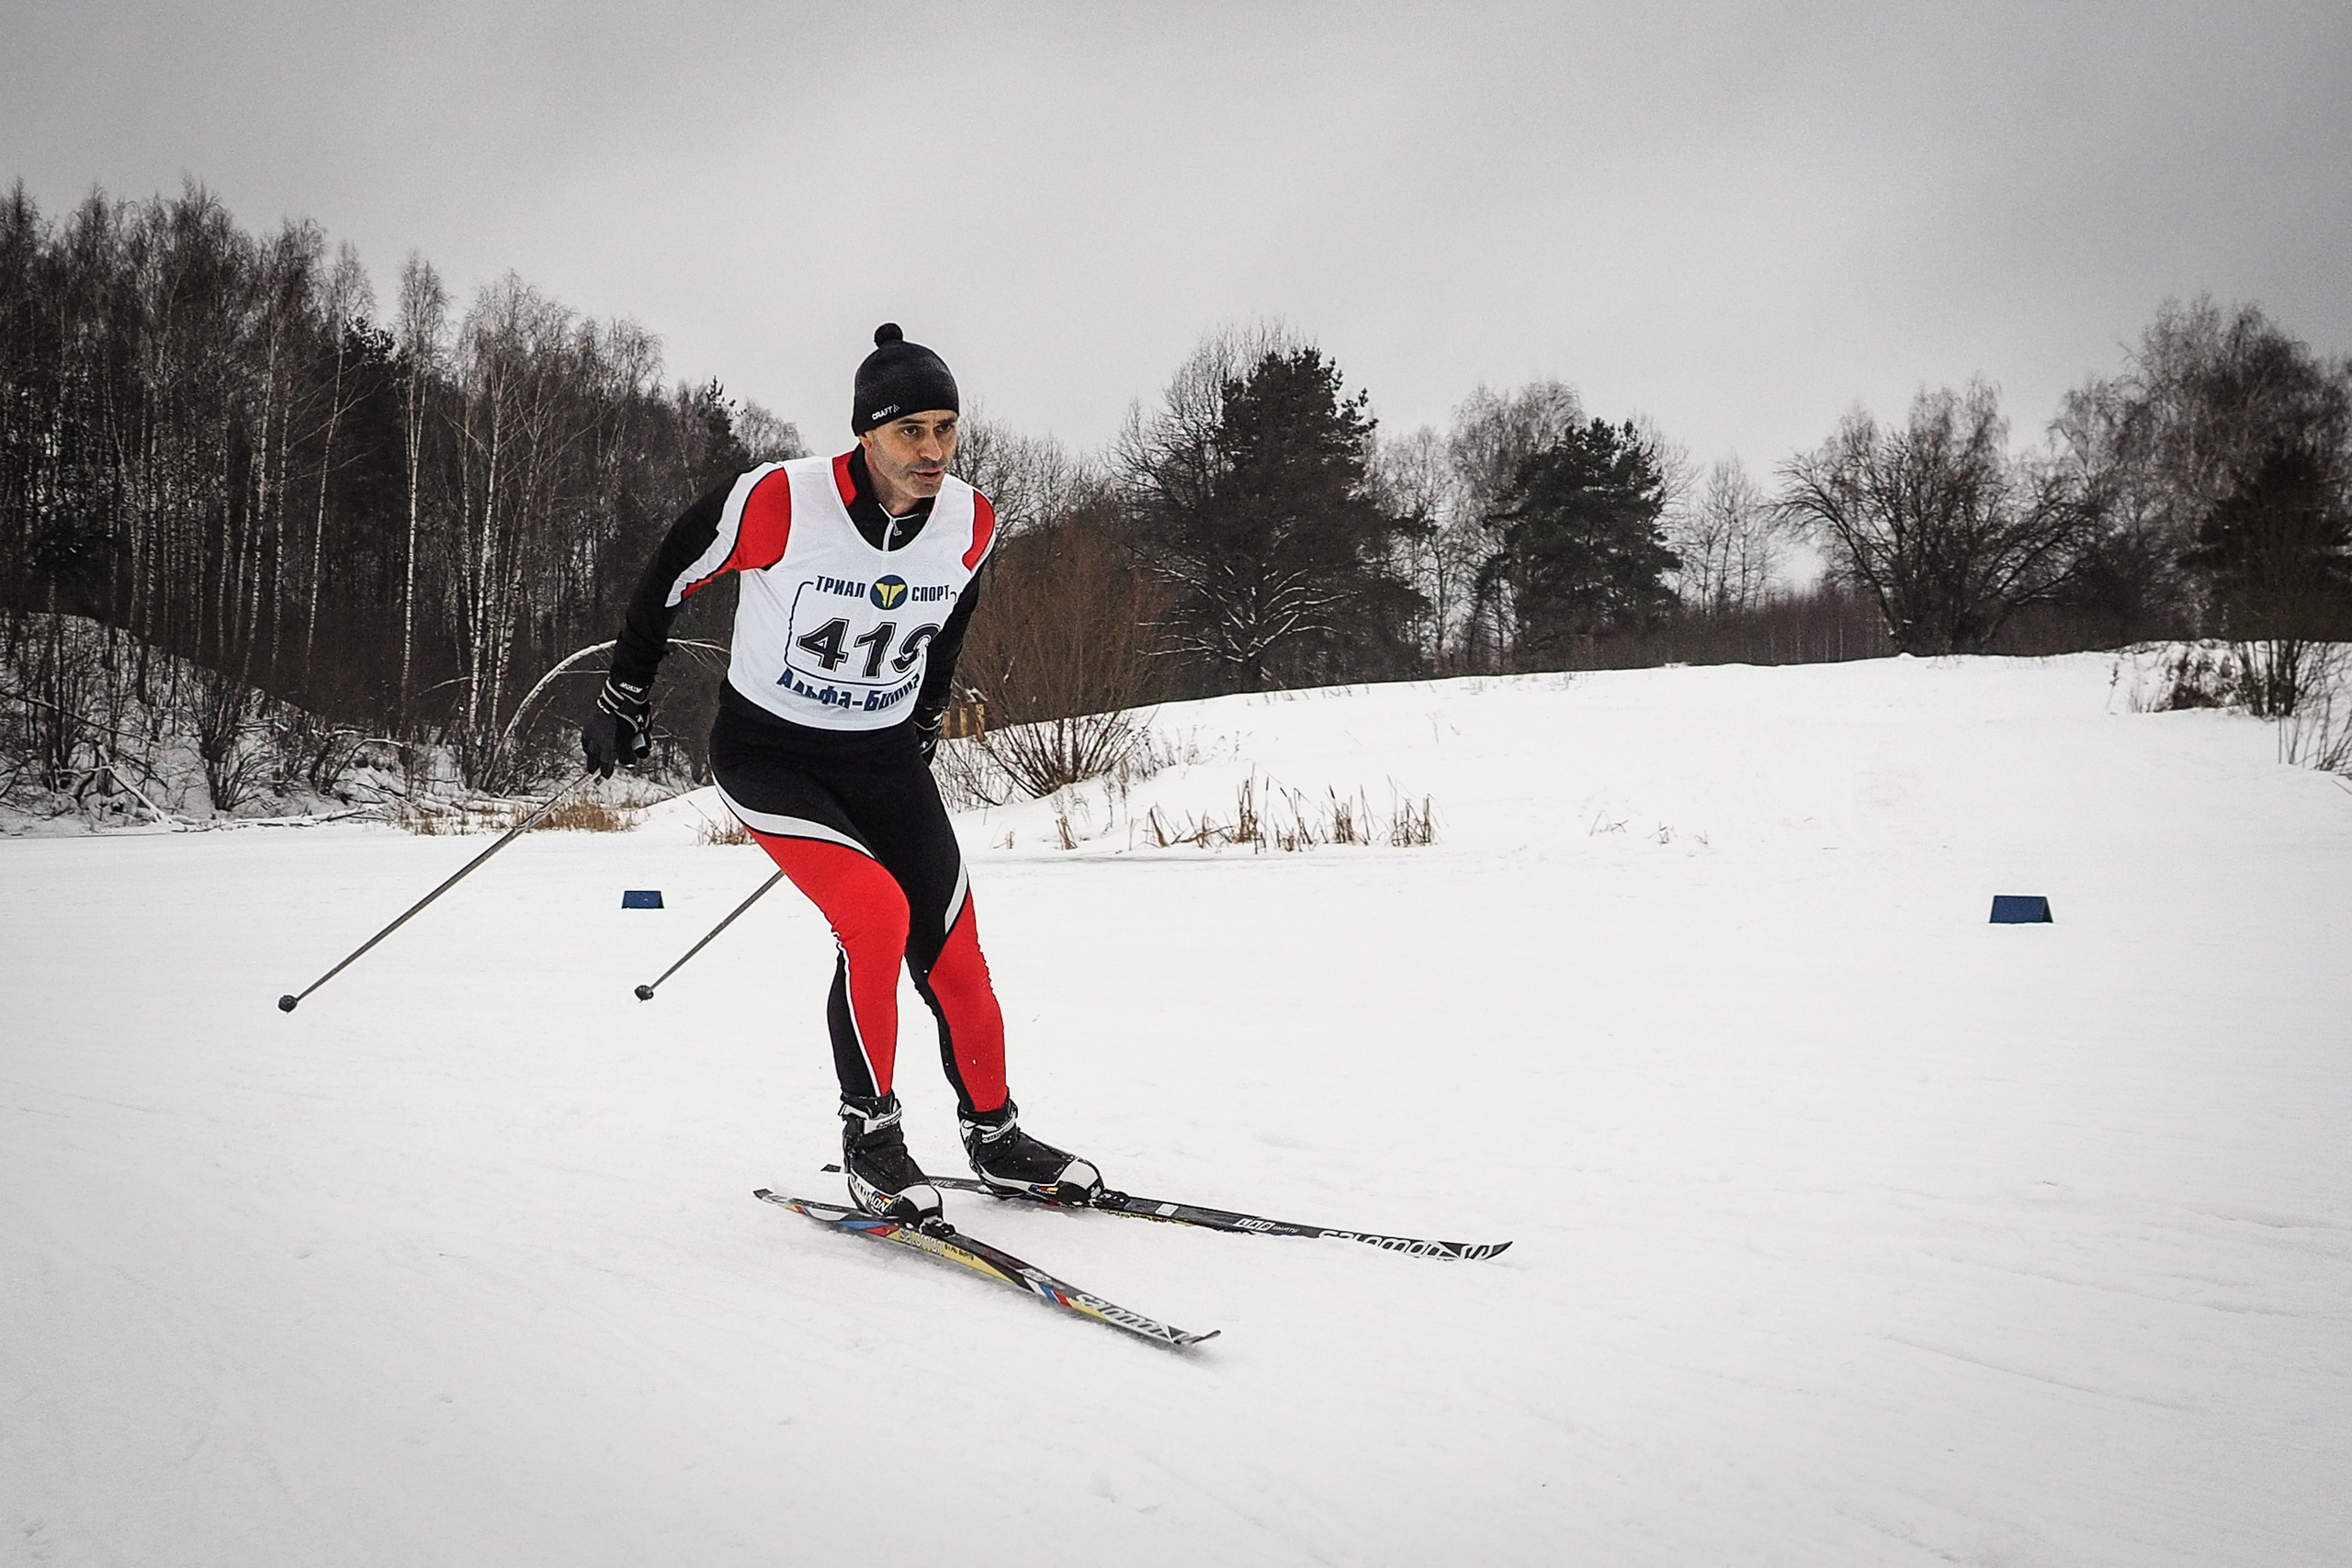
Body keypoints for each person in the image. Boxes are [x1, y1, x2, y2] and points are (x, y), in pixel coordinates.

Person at [582, 323, 1100, 1225]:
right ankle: (872, 1138)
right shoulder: (781, 502)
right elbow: (669, 573)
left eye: (946, 428)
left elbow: (952, 620)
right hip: (771, 755)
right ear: (865, 433)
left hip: (882, 757)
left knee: (955, 952)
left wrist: (928, 712)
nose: (932, 450)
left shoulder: (970, 521)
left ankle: (997, 1137)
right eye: (911, 431)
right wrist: (625, 692)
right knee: (875, 916)